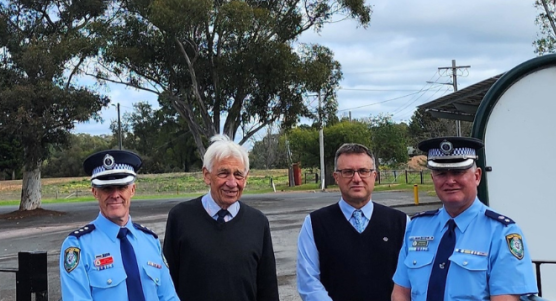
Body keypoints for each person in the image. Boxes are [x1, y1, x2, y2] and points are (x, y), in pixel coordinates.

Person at [391, 137, 538, 301]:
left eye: (458, 172)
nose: (450, 181)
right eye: (441, 173)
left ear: (477, 176)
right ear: (433, 178)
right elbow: (401, 293)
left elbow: (505, 298)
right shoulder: (417, 227)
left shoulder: (501, 233)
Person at [162, 135, 279, 301]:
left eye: (238, 175)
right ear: (207, 175)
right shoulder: (180, 217)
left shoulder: (258, 222)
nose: (232, 183)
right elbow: (168, 282)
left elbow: (268, 288)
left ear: (245, 179)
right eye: (224, 173)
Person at [59, 149, 179, 301]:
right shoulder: (78, 245)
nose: (115, 195)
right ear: (95, 192)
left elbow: (168, 297)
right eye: (107, 188)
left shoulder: (150, 241)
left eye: (121, 187)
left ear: (132, 190)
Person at [297, 143, 408, 301]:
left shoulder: (402, 223)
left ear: (374, 176)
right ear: (336, 177)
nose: (357, 179)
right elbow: (308, 282)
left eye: (363, 171)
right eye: (348, 172)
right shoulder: (314, 224)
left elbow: (410, 279)